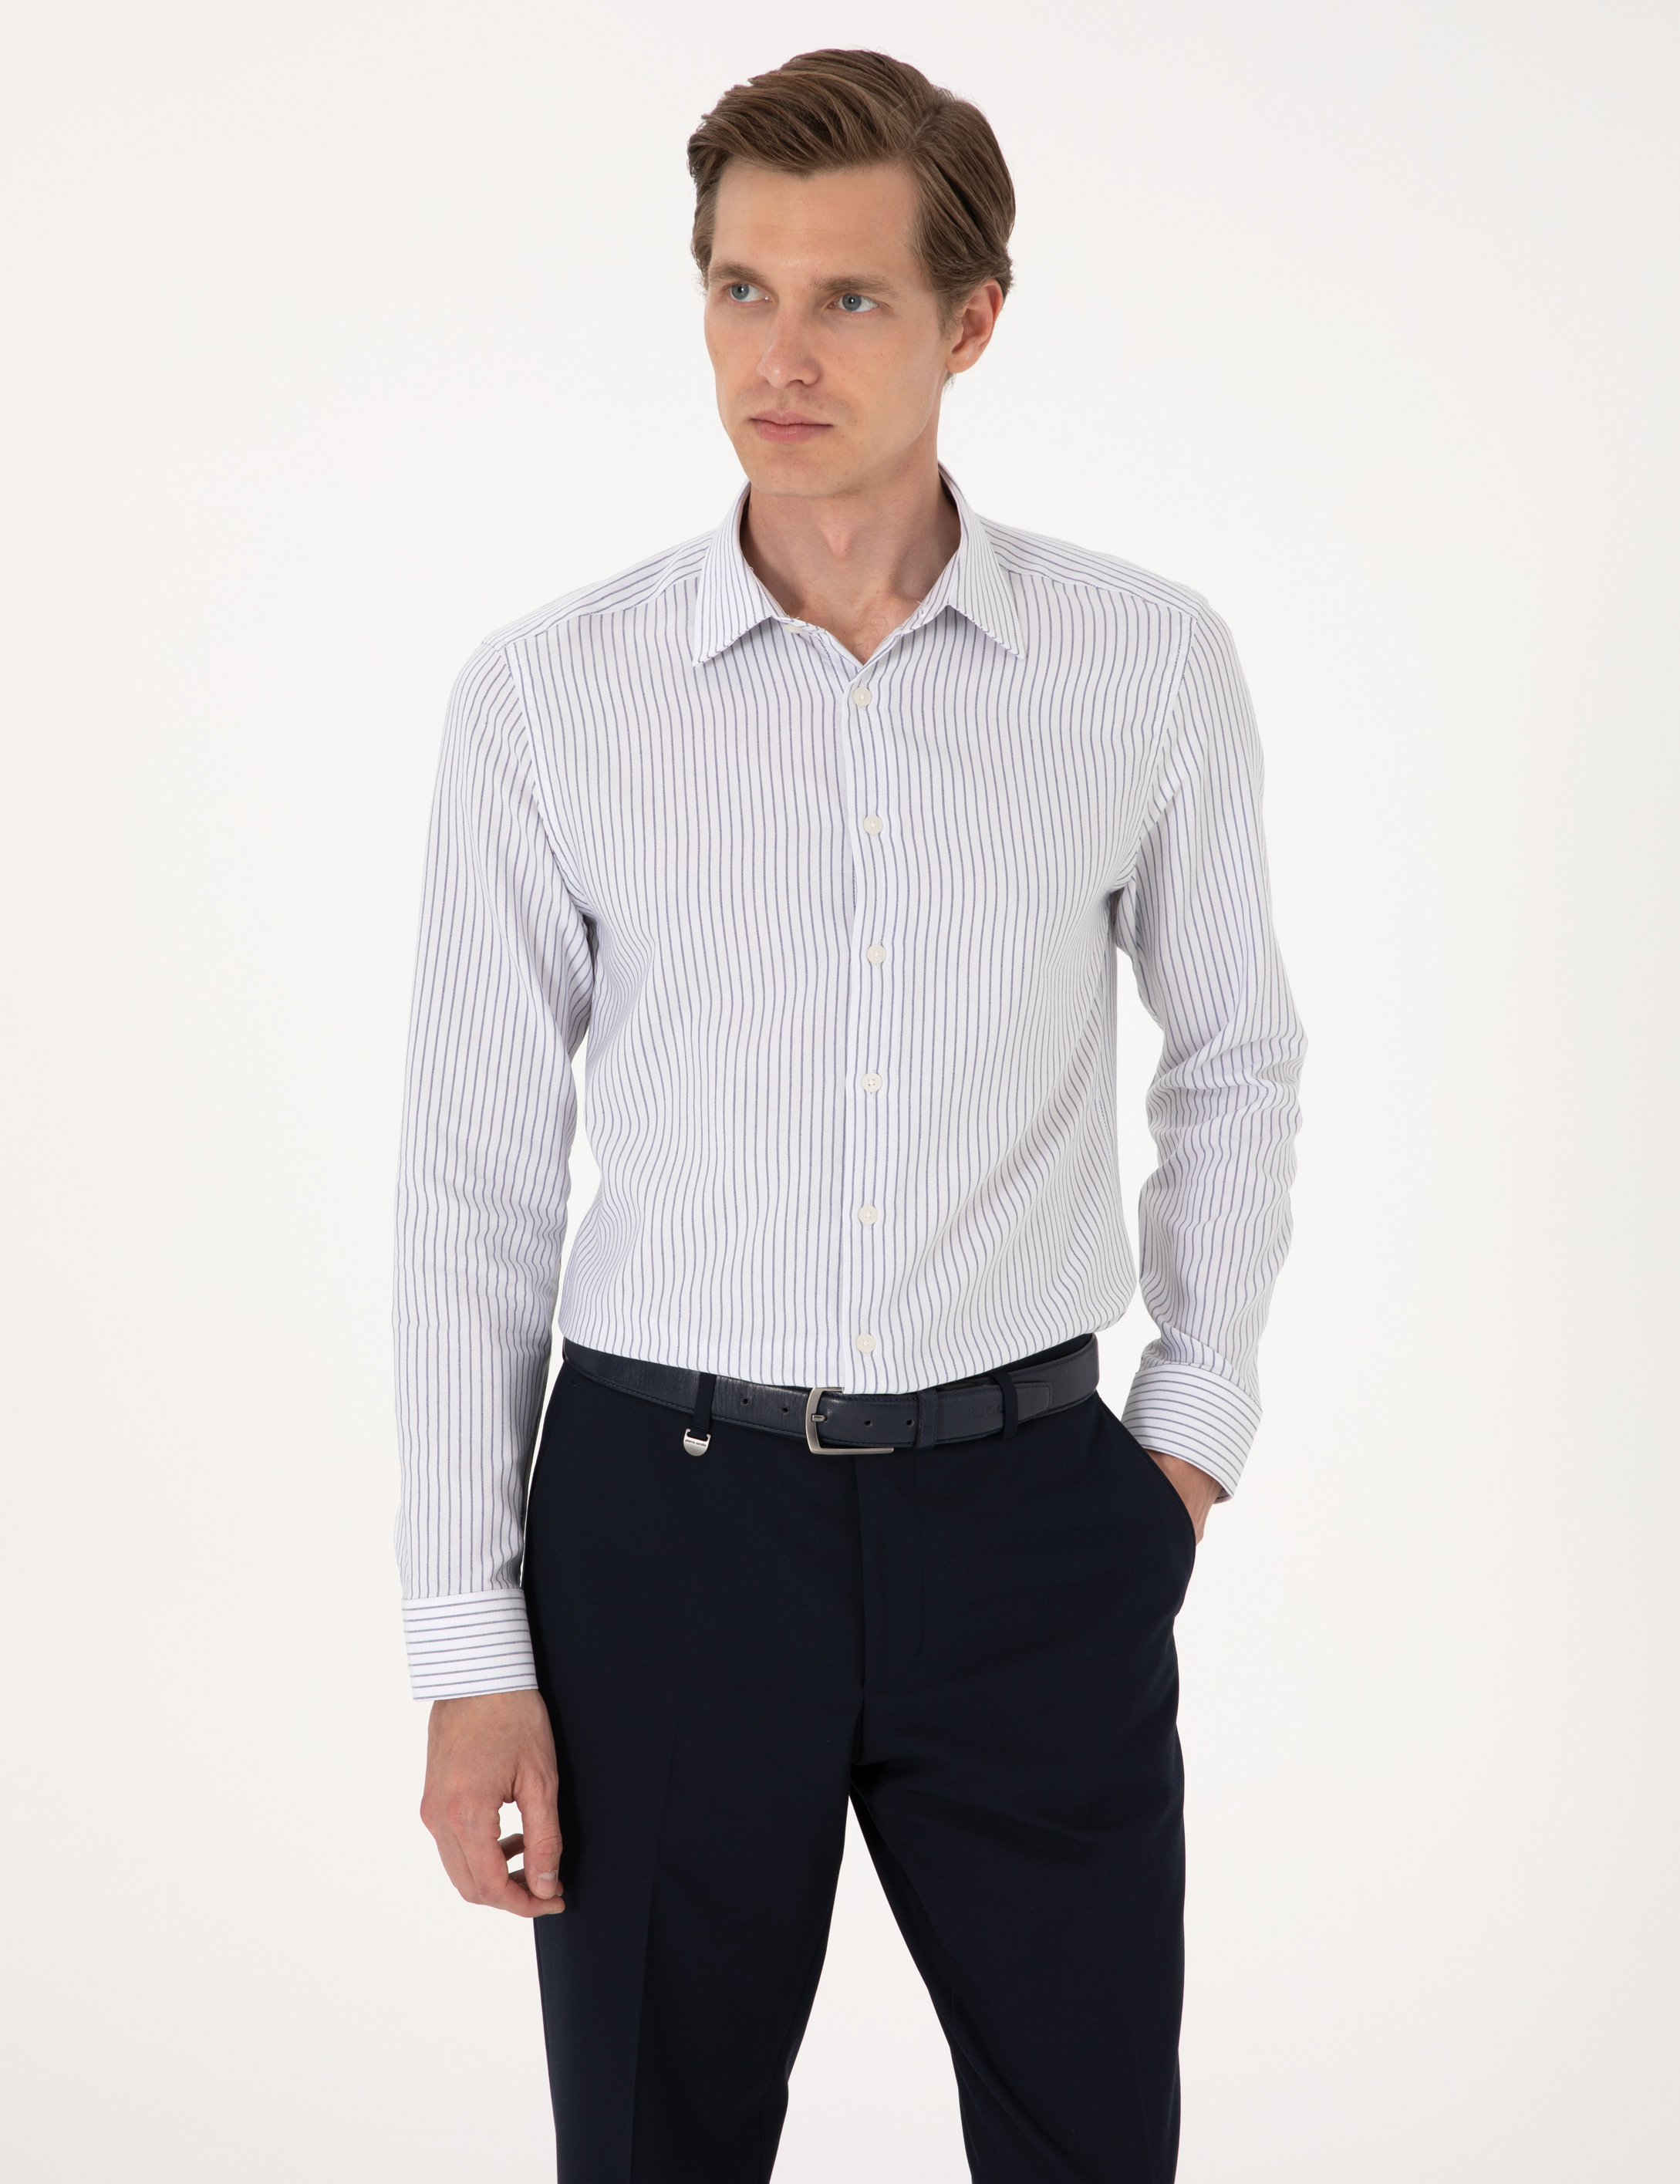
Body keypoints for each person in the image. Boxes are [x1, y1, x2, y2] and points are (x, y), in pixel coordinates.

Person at [394, 47, 1304, 2184]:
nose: (777, 358)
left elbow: (1236, 1055)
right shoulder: (547, 699)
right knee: (655, 2148)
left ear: (971, 321)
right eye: (740, 290)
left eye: (847, 300)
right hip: (662, 1536)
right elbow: (472, 1182)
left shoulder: (1143, 665)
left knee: (1093, 2142)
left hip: (1035, 1522)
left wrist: (1182, 1445)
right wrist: (469, 1646)